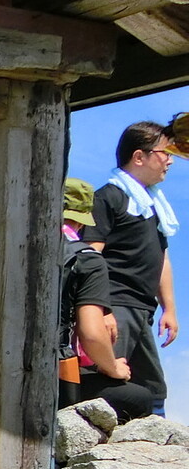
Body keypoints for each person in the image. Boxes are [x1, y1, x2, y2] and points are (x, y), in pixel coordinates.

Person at [82, 121, 182, 416]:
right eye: (166, 152)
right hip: (114, 303)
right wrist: (101, 308)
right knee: (106, 376)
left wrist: (171, 310)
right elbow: (90, 258)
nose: (171, 160)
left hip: (142, 309)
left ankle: (154, 453)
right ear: (140, 156)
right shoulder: (108, 198)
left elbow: (161, 258)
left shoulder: (154, 206)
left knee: (153, 388)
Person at [60, 177, 154, 421]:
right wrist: (113, 367)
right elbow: (91, 333)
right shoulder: (87, 259)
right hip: (53, 381)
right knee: (139, 398)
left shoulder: (18, 246)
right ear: (82, 222)